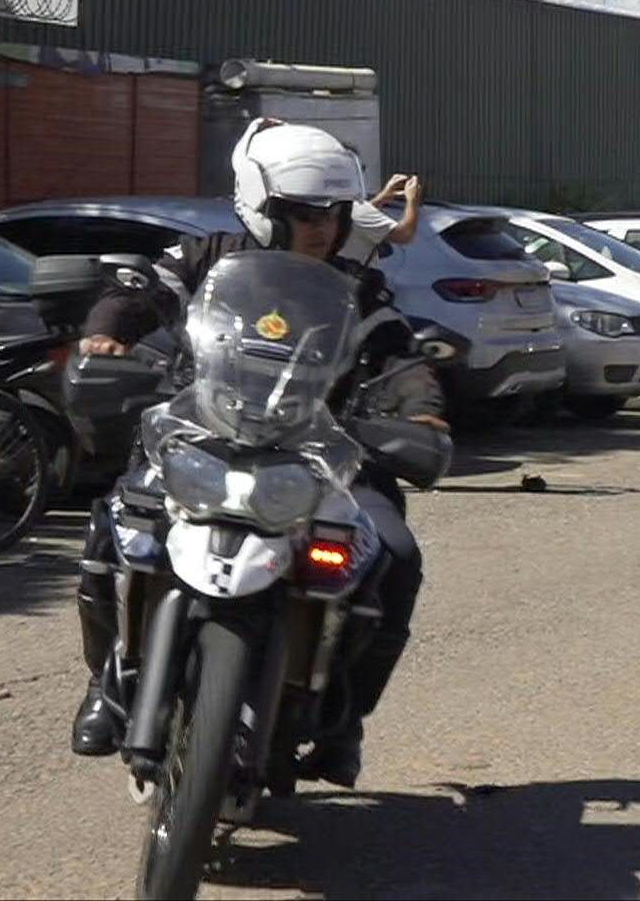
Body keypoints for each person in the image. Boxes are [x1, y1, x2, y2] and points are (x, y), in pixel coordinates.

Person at [70, 117, 442, 788]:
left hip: (317, 458)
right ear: (261, 207)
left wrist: (420, 407)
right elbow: (134, 294)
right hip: (199, 441)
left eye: (332, 213)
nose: (323, 227)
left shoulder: (356, 287)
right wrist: (107, 336)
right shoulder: (206, 258)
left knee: (396, 555)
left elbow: (398, 356)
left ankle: (342, 716)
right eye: (303, 213)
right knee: (115, 530)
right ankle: (107, 682)